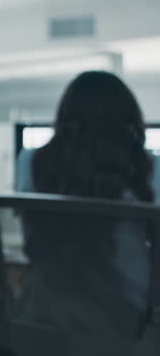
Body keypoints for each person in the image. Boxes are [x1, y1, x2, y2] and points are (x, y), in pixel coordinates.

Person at [14, 70, 159, 335]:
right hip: (130, 327)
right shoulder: (150, 168)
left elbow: (29, 239)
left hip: (44, 319)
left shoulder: (32, 162)